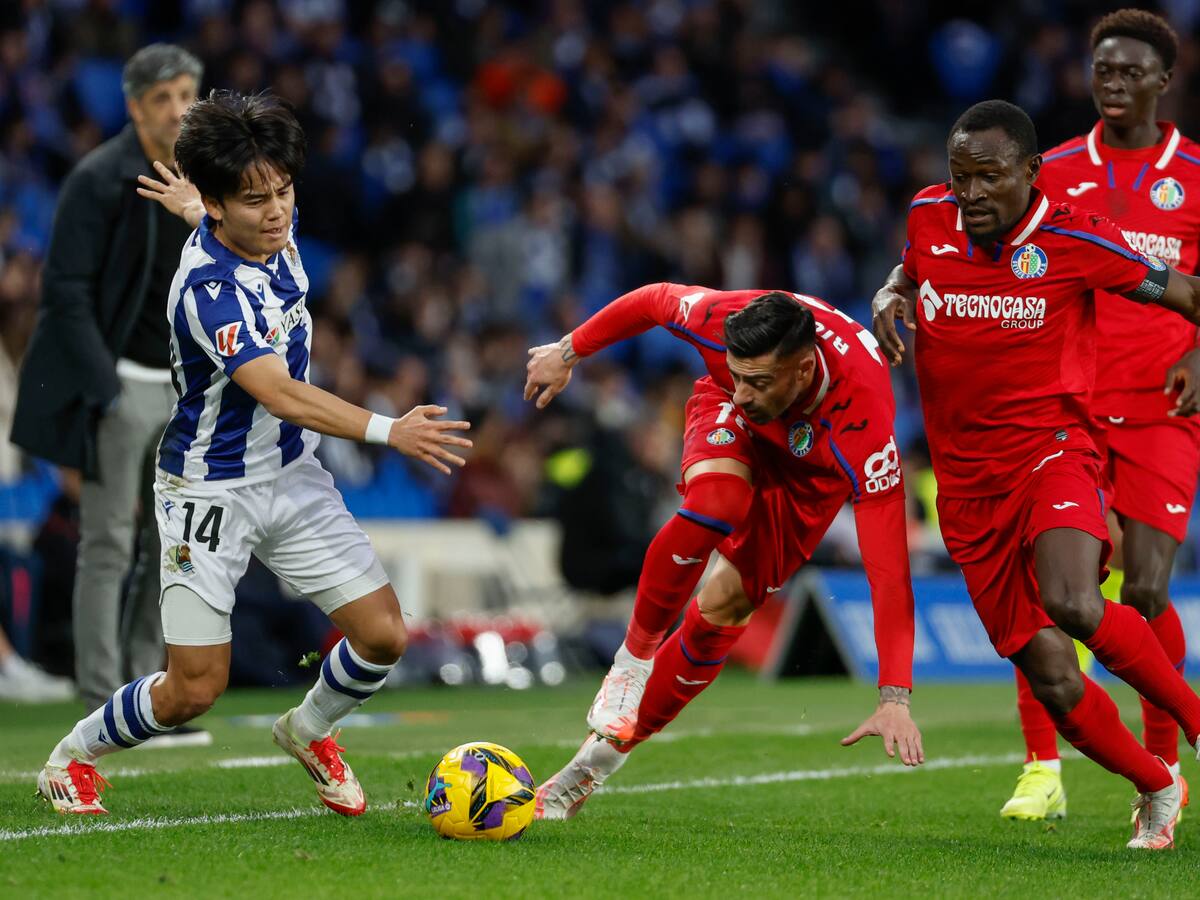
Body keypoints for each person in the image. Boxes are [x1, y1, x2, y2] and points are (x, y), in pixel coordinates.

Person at [35, 90, 472, 817]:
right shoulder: (208, 290)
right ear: (218, 206)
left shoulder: (267, 224)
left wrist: (190, 203)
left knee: (384, 635)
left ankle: (307, 730)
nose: (275, 211)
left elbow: (232, 216)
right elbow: (278, 391)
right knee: (193, 689)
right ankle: (71, 756)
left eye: (283, 191)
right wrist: (387, 429)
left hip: (290, 473)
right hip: (208, 489)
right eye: (253, 200)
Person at [872, 99, 1200, 850]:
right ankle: (1157, 786)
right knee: (1052, 676)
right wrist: (892, 292)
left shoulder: (1076, 236)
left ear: (1030, 172)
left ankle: (1192, 720)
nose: (972, 194)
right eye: (961, 178)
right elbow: (913, 261)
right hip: (963, 485)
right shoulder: (930, 214)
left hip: (1053, 451)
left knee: (1075, 602)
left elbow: (1185, 292)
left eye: (989, 177)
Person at [524, 285, 923, 820]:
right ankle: (631, 665)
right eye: (737, 373)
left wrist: (894, 698)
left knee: (724, 608)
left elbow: (890, 574)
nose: (743, 392)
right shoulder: (725, 329)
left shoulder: (865, 425)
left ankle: (592, 765)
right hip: (734, 432)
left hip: (809, 478)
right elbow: (654, 300)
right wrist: (566, 350)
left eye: (757, 380)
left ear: (804, 370)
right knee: (717, 503)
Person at [995, 9, 1200, 823]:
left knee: (1145, 590)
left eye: (1128, 73)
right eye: (1102, 70)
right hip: (1067, 408)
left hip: (1161, 405)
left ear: (1161, 80)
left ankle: (1159, 762)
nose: (1112, 84)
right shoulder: (1048, 171)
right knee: (1050, 588)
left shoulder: (1194, 171)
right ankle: (1041, 766)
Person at [10, 45, 208, 743]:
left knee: (174, 547)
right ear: (133, 106)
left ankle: (153, 698)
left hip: (187, 388)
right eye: (163, 97)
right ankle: (100, 699)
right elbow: (64, 294)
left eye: (188, 93)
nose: (180, 108)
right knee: (108, 544)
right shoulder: (97, 178)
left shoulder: (207, 175)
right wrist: (106, 389)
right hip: (122, 383)